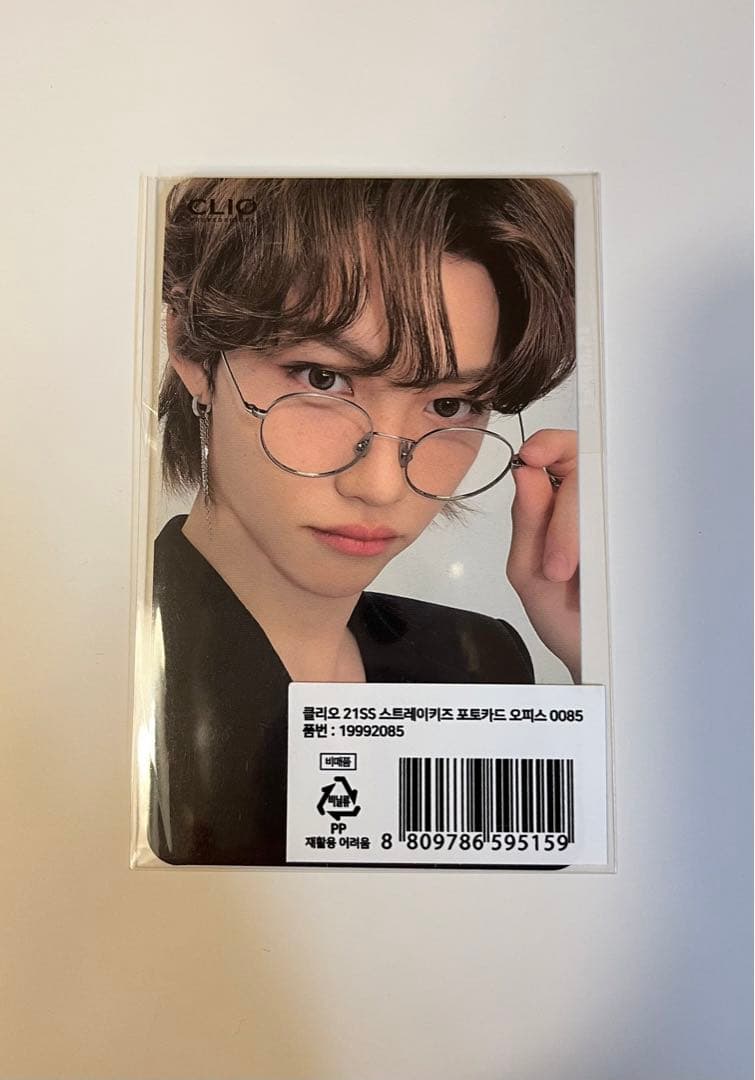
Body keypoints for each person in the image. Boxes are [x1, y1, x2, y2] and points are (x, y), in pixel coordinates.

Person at [148, 177, 579, 866]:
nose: (381, 486)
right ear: (194, 350)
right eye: (322, 379)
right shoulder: (89, 671)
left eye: (449, 406)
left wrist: (608, 652)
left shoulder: (480, 661)